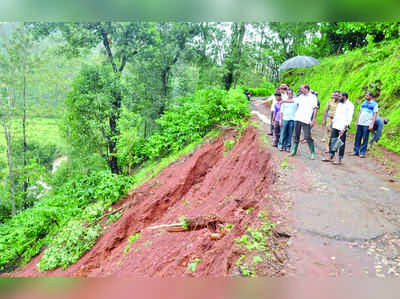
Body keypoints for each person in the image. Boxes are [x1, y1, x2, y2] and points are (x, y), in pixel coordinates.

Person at [281, 84, 318, 159]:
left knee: (307, 136)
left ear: (306, 89)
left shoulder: (313, 97)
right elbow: (293, 100)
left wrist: (313, 120)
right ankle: (294, 151)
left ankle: (312, 153)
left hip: (306, 119)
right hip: (298, 118)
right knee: (296, 135)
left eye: (302, 89)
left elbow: (315, 109)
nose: (300, 90)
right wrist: (284, 101)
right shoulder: (301, 96)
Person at [322, 92, 354, 164]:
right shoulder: (340, 104)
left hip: (342, 127)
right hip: (336, 125)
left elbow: (349, 118)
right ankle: (331, 156)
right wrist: (332, 123)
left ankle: (340, 159)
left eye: (340, 97)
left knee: (341, 143)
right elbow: (336, 115)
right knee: (333, 141)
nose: (339, 98)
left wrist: (344, 128)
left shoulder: (350, 105)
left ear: (344, 97)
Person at [352, 91, 378, 158]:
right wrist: (357, 121)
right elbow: (360, 112)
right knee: (357, 137)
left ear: (371, 96)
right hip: (360, 123)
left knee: (365, 138)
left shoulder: (374, 104)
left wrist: (372, 124)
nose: (366, 97)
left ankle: (362, 152)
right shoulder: (363, 103)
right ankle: (355, 151)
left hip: (367, 124)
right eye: (365, 95)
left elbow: (375, 115)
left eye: (367, 96)